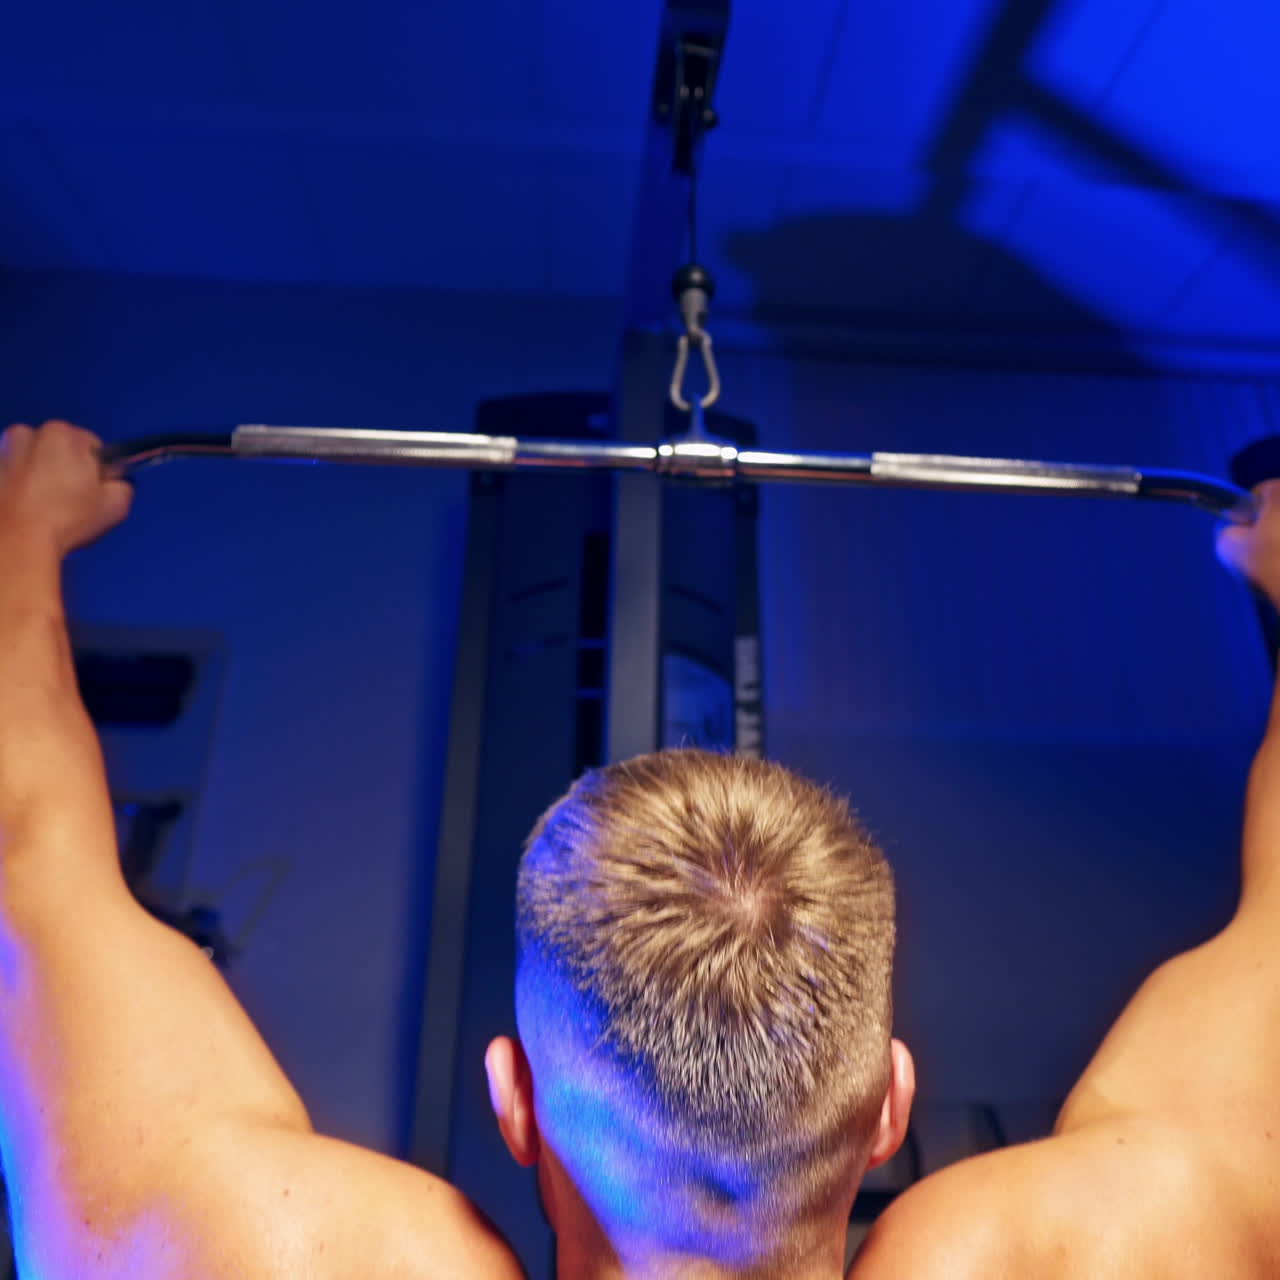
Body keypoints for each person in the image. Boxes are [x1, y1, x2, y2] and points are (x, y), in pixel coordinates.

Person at [0, 418, 1277, 1279]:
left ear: (513, 1099)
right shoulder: (1116, 1236)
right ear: (889, 1102)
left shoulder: (268, 1246)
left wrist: (20, 536)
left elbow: (24, 847)